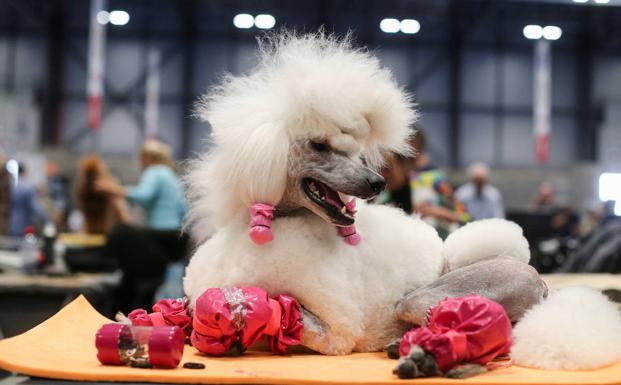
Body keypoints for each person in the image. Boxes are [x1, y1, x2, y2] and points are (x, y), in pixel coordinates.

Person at [96, 139, 189, 312]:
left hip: (160, 234)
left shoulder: (154, 171)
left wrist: (114, 190)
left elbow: (144, 195)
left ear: (147, 157)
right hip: (175, 238)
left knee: (121, 234)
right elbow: (184, 209)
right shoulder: (170, 175)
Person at [408, 130, 470, 238]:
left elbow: (464, 216)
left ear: (419, 146)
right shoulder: (397, 177)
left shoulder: (435, 177)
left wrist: (438, 212)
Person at [8, 163, 50, 236]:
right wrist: (48, 219)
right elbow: (36, 209)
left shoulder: (10, 187)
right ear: (25, 172)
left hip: (9, 224)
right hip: (24, 225)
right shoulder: (28, 188)